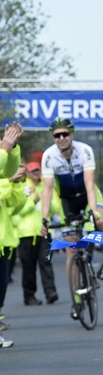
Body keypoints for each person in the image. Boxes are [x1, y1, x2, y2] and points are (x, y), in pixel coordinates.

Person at [39, 118, 103, 321]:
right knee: (71, 249)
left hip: (87, 195)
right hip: (67, 201)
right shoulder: (48, 156)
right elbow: (47, 190)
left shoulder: (85, 151)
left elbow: (90, 185)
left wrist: (92, 211)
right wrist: (44, 219)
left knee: (99, 221)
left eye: (65, 134)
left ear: (72, 135)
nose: (61, 138)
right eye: (57, 135)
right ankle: (76, 298)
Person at [17, 161, 59, 306]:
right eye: (33, 171)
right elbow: (18, 210)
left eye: (38, 170)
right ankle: (29, 296)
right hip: (26, 233)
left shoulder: (46, 187)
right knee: (28, 267)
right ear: (27, 173)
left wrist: (48, 202)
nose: (36, 173)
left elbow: (55, 208)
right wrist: (32, 201)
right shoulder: (22, 187)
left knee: (46, 262)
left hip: (44, 232)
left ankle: (50, 292)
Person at [0, 121, 25, 347]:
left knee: (0, 293)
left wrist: (13, 149)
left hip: (3, 242)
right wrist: (4, 150)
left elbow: (16, 205)